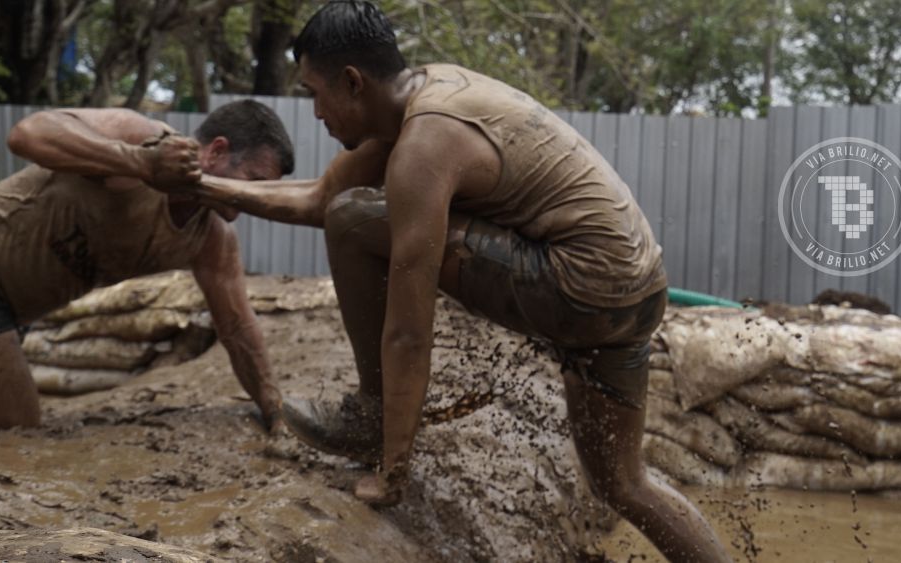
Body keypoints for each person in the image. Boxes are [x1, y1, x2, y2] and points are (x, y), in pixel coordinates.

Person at [186, 2, 731, 561]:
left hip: (579, 287)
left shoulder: (425, 144)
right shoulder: (428, 94)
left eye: (315, 93)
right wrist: (202, 185)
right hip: (637, 294)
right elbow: (316, 198)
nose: (317, 112)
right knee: (623, 483)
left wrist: (393, 465)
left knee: (352, 219)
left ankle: (372, 418)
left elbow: (408, 331)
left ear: (352, 82)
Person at [0, 100, 293, 434]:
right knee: (15, 427)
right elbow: (27, 134)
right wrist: (141, 162)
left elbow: (237, 328)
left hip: (9, 311)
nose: (256, 199)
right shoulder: (143, 139)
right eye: (254, 181)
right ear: (216, 152)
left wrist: (275, 412)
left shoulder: (212, 237)